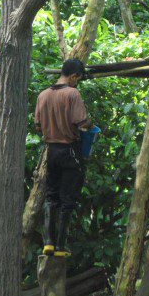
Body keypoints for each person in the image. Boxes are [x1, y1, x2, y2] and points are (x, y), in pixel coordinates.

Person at [34, 59, 92, 257]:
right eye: (79, 79)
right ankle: (60, 246)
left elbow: (37, 126)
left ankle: (48, 242)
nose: (78, 82)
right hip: (70, 150)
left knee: (52, 196)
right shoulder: (72, 93)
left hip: (51, 151)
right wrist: (90, 126)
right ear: (74, 75)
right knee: (68, 199)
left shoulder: (43, 95)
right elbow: (82, 121)